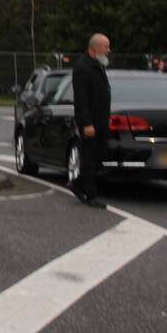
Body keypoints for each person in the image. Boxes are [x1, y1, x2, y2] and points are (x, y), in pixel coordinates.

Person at [70, 33, 112, 209]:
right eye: (106, 47)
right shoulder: (83, 68)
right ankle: (90, 194)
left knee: (98, 156)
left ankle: (78, 183)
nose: (108, 51)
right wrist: (87, 124)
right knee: (89, 157)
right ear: (95, 48)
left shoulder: (98, 66)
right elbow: (82, 99)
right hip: (91, 122)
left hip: (101, 121)